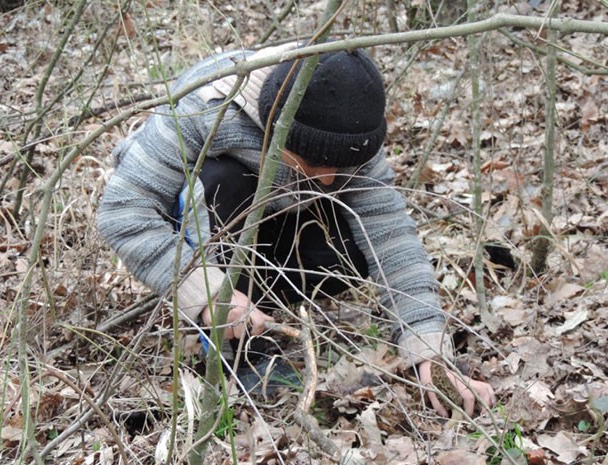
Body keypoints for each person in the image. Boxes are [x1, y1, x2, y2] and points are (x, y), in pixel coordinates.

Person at [97, 43, 495, 417]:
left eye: (339, 166)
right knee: (220, 182)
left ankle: (264, 302)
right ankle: (243, 352)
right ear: (276, 128)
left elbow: (390, 236)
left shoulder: (350, 126)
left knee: (354, 227)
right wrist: (209, 292)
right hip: (201, 221)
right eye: (315, 163)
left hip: (281, 219)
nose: (328, 180)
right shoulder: (204, 106)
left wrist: (428, 351)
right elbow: (122, 212)